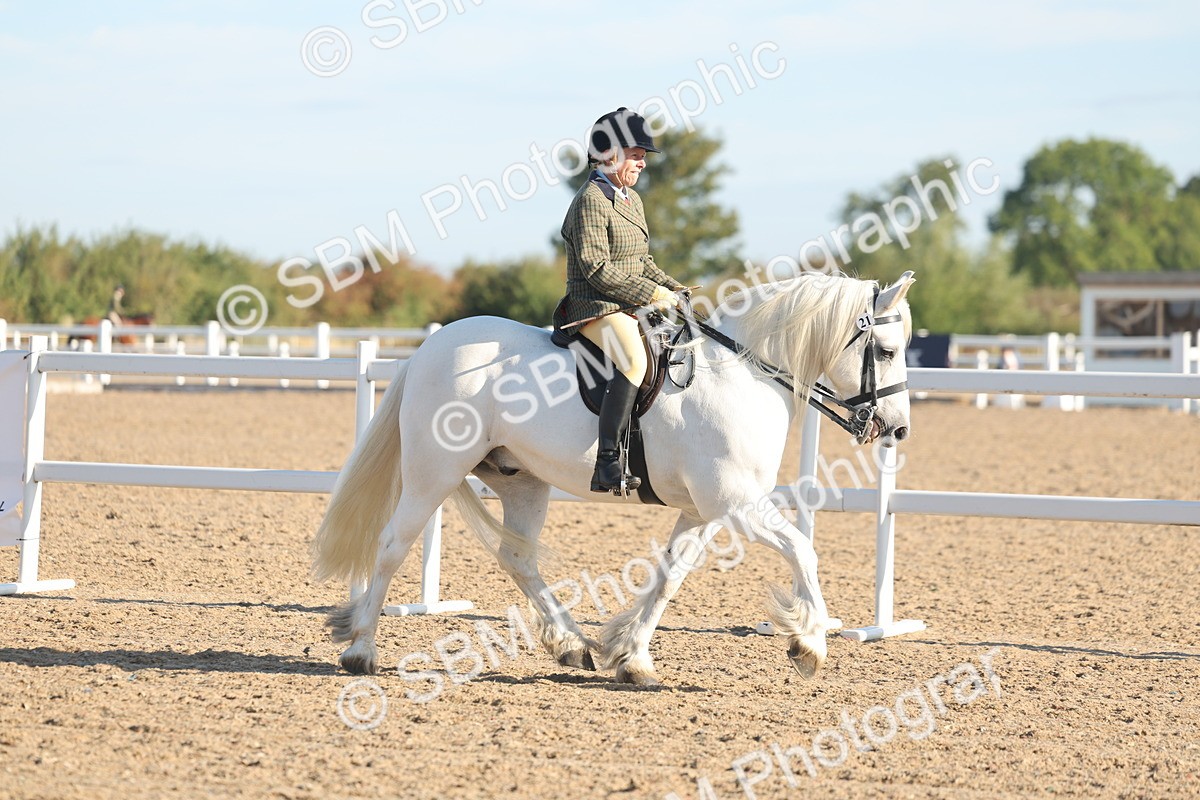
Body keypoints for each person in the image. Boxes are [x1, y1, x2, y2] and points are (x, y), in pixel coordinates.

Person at [554, 107, 687, 493]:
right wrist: (652, 294)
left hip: (626, 304)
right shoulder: (590, 200)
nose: (642, 163)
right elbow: (596, 269)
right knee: (633, 358)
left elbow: (642, 262)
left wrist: (674, 289)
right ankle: (607, 462)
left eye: (643, 156)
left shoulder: (631, 200)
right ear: (609, 154)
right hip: (594, 306)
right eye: (635, 155)